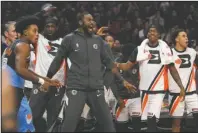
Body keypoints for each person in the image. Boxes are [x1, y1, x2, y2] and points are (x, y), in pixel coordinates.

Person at [46, 11, 135, 132]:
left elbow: (110, 64)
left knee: (109, 126)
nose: (92, 22)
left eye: (93, 19)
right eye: (89, 19)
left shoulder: (98, 41)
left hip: (96, 89)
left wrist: (123, 80)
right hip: (76, 88)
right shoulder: (69, 39)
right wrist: (47, 78)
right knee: (69, 126)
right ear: (80, 22)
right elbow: (57, 61)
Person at [116, 25, 185, 132]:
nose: (151, 33)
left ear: (159, 35)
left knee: (152, 119)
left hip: (159, 90)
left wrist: (181, 86)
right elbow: (127, 66)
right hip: (144, 91)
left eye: (154, 31)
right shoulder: (139, 49)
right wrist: (115, 64)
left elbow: (173, 69)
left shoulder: (166, 50)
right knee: (146, 121)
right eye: (149, 31)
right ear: (147, 34)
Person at [1, 15, 61, 122]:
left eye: (38, 31)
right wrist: (42, 81)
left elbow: (25, 69)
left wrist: (47, 80)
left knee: (26, 123)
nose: (37, 34)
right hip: (12, 91)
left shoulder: (14, 45)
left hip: (13, 89)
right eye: (34, 31)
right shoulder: (23, 46)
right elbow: (21, 70)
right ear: (25, 32)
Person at [29, 17, 66, 131]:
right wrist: (43, 14)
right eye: (47, 26)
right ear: (43, 28)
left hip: (58, 85)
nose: (50, 29)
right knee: (32, 115)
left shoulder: (64, 41)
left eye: (52, 26)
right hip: (41, 83)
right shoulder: (39, 39)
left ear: (57, 28)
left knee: (53, 118)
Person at [169, 29, 198, 132]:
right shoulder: (170, 53)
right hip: (176, 94)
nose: (187, 38)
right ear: (176, 39)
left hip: (191, 93)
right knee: (176, 124)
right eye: (183, 36)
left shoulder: (192, 52)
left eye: (187, 36)